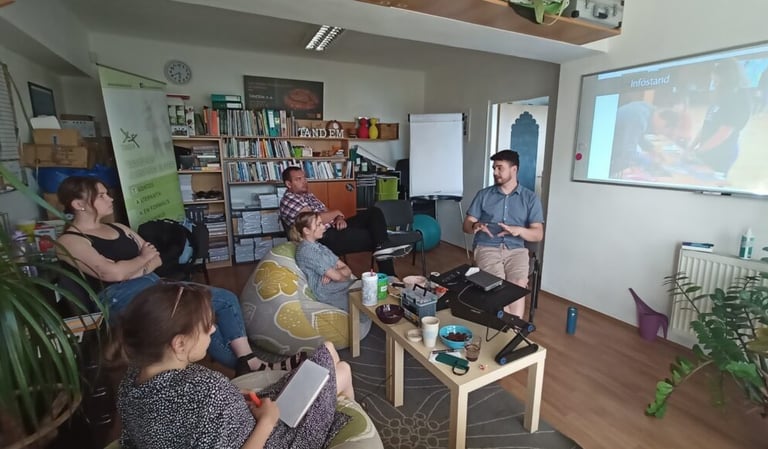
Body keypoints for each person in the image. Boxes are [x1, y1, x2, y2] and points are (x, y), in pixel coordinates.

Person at [55, 176, 302, 376]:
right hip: (119, 299)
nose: (110, 198)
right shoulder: (70, 240)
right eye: (101, 195)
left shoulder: (118, 227)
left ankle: (248, 364)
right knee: (196, 317)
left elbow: (155, 258)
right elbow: (110, 272)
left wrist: (131, 269)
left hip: (152, 284)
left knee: (225, 299)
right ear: (79, 204)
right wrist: (139, 262)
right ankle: (253, 366)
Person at [115, 282, 354, 449]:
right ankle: (354, 421)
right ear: (179, 343)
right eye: (206, 325)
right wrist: (268, 420)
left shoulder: (130, 382)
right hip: (272, 439)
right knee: (341, 369)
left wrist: (230, 398)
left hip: (243, 422)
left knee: (328, 352)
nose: (213, 329)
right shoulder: (206, 390)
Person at [278, 166, 410, 276]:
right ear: (288, 184)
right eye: (298, 179)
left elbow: (326, 212)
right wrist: (336, 212)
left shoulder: (308, 195)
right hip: (322, 238)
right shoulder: (289, 200)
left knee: (373, 212)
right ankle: (389, 272)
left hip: (333, 228)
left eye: (304, 178)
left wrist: (339, 218)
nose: (304, 181)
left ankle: (384, 248)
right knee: (376, 236)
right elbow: (312, 220)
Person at [462, 150, 544, 319]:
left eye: (500, 168)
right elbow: (466, 225)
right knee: (496, 284)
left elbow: (538, 234)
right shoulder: (484, 195)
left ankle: (511, 328)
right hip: (487, 246)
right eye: (494, 168)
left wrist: (519, 230)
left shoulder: (530, 198)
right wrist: (475, 225)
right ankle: (510, 327)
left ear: (514, 169)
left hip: (516, 250)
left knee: (517, 284)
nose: (495, 172)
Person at [291, 211, 372, 339]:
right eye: (318, 224)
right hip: (329, 293)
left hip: (340, 286)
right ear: (306, 231)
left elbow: (347, 270)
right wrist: (337, 273)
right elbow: (340, 276)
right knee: (369, 295)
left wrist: (334, 272)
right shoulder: (307, 251)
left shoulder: (320, 247)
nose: (323, 226)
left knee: (378, 284)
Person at [689, 59, 752, 176]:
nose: (714, 85)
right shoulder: (721, 95)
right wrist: (691, 147)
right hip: (706, 150)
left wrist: (699, 151)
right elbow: (707, 124)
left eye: (716, 82)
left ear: (727, 78)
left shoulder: (738, 99)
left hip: (721, 155)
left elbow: (724, 132)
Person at [609, 99, 683, 178]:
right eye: (661, 131)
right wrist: (651, 162)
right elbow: (628, 152)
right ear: (663, 122)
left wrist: (651, 149)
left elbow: (637, 135)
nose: (658, 134)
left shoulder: (650, 110)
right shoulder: (638, 117)